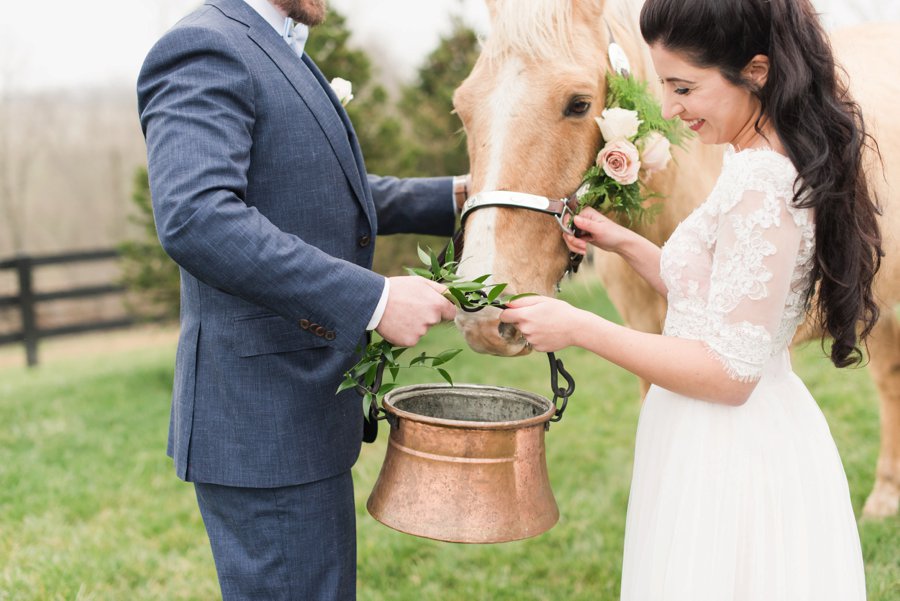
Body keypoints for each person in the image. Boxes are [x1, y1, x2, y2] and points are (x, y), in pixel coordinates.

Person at [499, 0, 880, 598]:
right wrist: (622, 241)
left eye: (683, 87)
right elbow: (717, 295)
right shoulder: (750, 158)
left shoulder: (765, 184)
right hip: (705, 437)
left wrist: (579, 327)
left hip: (734, 453)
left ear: (755, 71)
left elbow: (730, 373)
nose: (670, 108)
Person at [137, 0, 464, 598]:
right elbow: (197, 217)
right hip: (262, 423)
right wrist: (375, 300)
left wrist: (457, 197)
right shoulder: (205, 48)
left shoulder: (271, 41)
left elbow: (315, 186)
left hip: (297, 412)